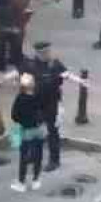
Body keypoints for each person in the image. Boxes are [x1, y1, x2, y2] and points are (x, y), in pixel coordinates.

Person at [24, 41, 68, 172]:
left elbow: (65, 75)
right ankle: (33, 155)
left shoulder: (55, 64)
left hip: (51, 103)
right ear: (37, 53)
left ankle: (54, 160)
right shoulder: (31, 65)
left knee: (52, 132)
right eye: (43, 53)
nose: (46, 54)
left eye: (47, 52)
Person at [10, 73, 46, 192]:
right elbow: (44, 108)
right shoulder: (39, 95)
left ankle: (21, 182)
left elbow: (14, 116)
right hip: (39, 129)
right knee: (38, 154)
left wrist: (22, 120)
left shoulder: (20, 98)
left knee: (24, 156)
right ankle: (36, 180)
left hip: (26, 130)